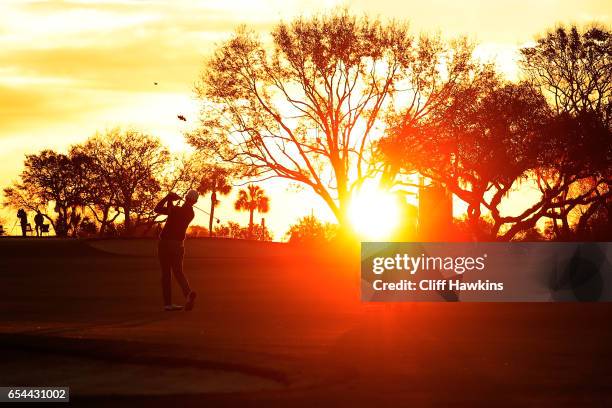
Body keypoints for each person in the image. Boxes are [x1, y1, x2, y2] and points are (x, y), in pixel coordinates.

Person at [154, 190, 199, 312]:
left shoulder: (177, 209)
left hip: (164, 243)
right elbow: (170, 210)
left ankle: (168, 304)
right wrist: (170, 199)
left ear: (185, 197)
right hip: (177, 245)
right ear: (195, 201)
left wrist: (168, 197)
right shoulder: (190, 213)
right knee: (178, 272)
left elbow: (157, 209)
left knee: (166, 273)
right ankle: (188, 294)